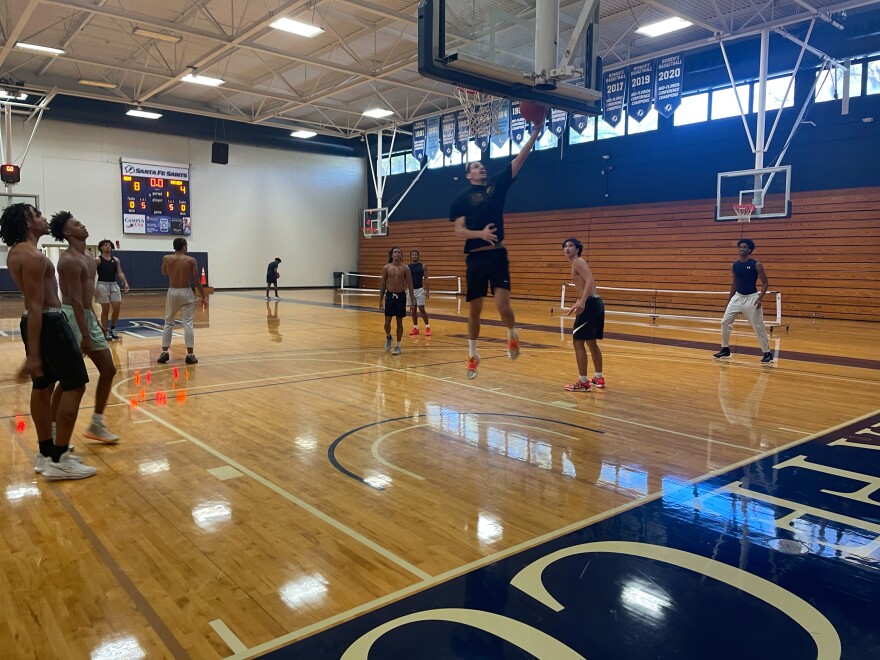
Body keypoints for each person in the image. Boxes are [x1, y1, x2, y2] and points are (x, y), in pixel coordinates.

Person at [0, 203, 96, 480]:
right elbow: (34, 303)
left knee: (42, 386)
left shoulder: (22, 252)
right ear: (28, 223)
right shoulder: (29, 255)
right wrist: (32, 355)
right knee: (75, 384)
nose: (43, 218)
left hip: (41, 321)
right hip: (49, 321)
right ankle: (61, 457)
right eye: (38, 215)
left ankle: (46, 454)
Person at [450, 105, 547, 379]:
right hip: (475, 258)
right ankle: (472, 355)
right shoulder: (461, 199)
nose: (481, 167)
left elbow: (519, 159)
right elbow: (458, 232)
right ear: (469, 175)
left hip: (497, 255)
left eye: (482, 165)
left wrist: (536, 133)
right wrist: (478, 234)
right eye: (475, 166)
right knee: (475, 310)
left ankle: (512, 334)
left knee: (503, 305)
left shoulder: (496, 184)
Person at [50, 212, 120, 442]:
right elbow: (77, 301)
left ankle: (97, 424)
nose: (83, 225)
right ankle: (53, 432)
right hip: (73, 316)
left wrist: (95, 322)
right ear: (69, 233)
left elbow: (87, 300)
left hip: (87, 313)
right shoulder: (69, 260)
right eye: (77, 224)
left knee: (109, 370)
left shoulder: (90, 257)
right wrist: (86, 334)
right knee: (69, 380)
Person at [713, 238, 773, 363]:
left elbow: (765, 283)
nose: (741, 249)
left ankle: (767, 353)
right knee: (724, 322)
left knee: (758, 326)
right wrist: (729, 301)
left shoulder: (756, 265)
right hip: (737, 298)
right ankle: (725, 349)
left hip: (752, 298)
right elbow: (734, 284)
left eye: (744, 247)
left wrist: (760, 298)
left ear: (750, 249)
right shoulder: (734, 265)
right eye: (740, 247)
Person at [562, 238, 605, 392]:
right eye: (565, 246)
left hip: (590, 304)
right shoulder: (577, 263)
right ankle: (598, 378)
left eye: (571, 246)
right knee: (591, 342)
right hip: (596, 302)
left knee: (578, 341)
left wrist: (583, 301)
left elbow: (590, 281)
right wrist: (576, 304)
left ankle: (583, 382)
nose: (567, 248)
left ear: (577, 249)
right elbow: (585, 287)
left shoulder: (577, 262)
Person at [158, 238, 208, 364]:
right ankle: (190, 354)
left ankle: (164, 353)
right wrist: (203, 296)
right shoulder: (190, 260)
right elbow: (196, 280)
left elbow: (164, 272)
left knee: (168, 322)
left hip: (173, 291)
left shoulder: (167, 258)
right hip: (186, 291)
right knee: (188, 323)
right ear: (184, 247)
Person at [379, 246, 415, 356]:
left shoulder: (405, 268)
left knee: (399, 322)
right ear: (391, 255)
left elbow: (410, 285)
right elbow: (383, 284)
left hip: (401, 296)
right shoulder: (386, 267)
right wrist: (380, 299)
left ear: (401, 255)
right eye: (395, 252)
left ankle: (398, 345)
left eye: (399, 252)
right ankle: (389, 336)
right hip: (389, 296)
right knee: (387, 322)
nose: (397, 254)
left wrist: (412, 302)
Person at [95, 239, 129, 340]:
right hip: (102, 285)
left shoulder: (116, 260)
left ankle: (113, 328)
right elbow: (92, 274)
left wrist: (125, 282)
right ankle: (105, 331)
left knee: (117, 307)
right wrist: (92, 288)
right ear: (101, 247)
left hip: (113, 285)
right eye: (105, 245)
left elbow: (120, 272)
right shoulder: (98, 260)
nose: (108, 247)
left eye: (109, 245)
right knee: (105, 310)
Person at [407, 249, 431, 337]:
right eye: (412, 255)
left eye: (416, 255)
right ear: (410, 256)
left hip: (420, 290)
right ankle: (416, 328)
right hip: (410, 291)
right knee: (413, 310)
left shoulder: (422, 266)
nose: (414, 256)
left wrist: (427, 290)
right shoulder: (407, 267)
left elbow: (426, 279)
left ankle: (427, 327)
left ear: (418, 256)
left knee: (421, 309)